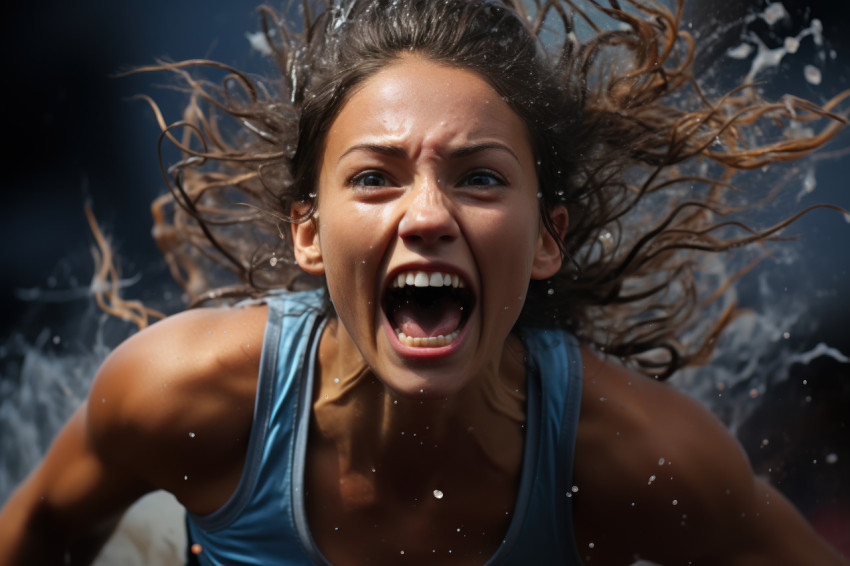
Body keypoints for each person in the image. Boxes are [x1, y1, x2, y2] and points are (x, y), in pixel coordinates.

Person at [1, 0, 848, 564]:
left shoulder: (633, 455)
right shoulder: (183, 395)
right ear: (307, 233)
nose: (429, 215)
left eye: (481, 178)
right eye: (375, 178)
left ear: (548, 240)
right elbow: (34, 536)